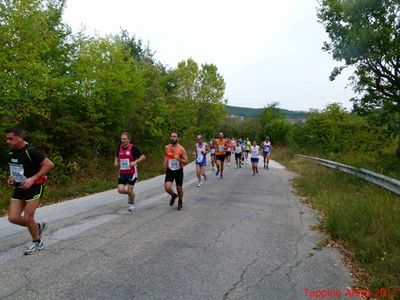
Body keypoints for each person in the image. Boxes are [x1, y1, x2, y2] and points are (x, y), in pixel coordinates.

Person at [6, 127, 55, 255]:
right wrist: (12, 177)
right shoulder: (11, 151)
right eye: (6, 139)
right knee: (13, 218)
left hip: (34, 186)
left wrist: (32, 179)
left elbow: (49, 164)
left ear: (20, 137)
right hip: (19, 187)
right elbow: (17, 167)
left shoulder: (31, 151)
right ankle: (37, 227)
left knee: (28, 218)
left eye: (10, 139)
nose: (7, 141)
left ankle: (37, 242)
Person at [114, 132, 145, 212]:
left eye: (124, 139)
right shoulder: (119, 147)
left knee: (130, 190)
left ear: (129, 140)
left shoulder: (133, 148)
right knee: (120, 190)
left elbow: (143, 157)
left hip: (132, 172)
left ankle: (132, 204)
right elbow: (117, 156)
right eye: (121, 139)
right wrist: (116, 162)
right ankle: (131, 194)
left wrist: (135, 162)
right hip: (122, 172)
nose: (122, 140)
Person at [164, 131, 189, 210]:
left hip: (178, 170)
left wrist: (179, 159)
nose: (172, 138)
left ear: (178, 138)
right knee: (167, 188)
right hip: (170, 170)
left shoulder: (181, 149)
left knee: (179, 189)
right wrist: (165, 161)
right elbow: (165, 155)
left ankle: (180, 200)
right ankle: (173, 195)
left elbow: (186, 161)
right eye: (171, 136)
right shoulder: (167, 147)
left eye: (174, 136)